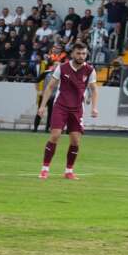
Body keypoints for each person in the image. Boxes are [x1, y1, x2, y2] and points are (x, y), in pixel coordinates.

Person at [37, 42, 99, 180]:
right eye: (78, 53)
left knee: (76, 141)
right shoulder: (62, 68)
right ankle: (44, 169)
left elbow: (94, 89)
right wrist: (42, 106)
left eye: (84, 53)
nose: (81, 56)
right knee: (55, 135)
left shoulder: (90, 70)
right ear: (72, 54)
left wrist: (94, 107)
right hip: (61, 106)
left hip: (77, 109)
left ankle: (69, 171)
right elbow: (50, 87)